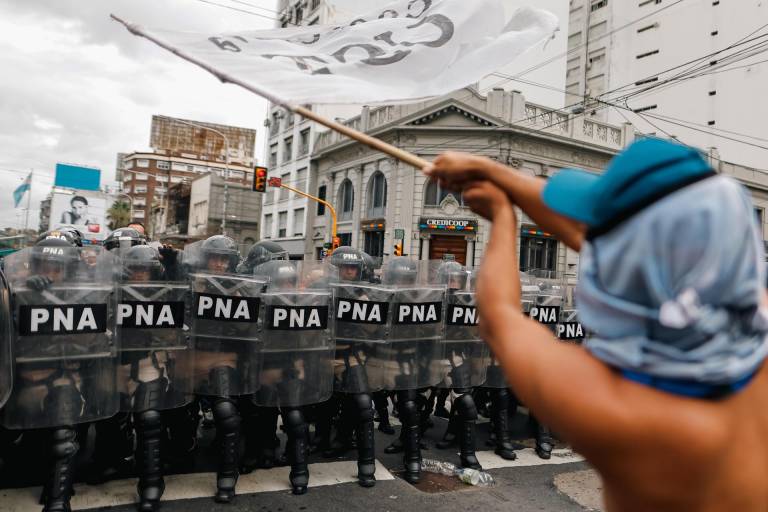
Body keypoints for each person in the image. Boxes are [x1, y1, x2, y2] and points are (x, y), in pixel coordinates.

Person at [425, 138, 768, 511]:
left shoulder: (617, 410)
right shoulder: (751, 320)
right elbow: (612, 243)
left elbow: (500, 318)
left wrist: (503, 217)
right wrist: (496, 173)